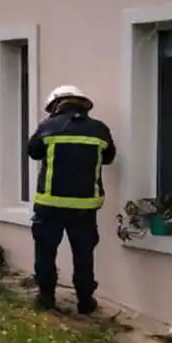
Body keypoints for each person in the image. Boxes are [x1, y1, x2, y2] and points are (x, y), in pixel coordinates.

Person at [27, 85, 116, 315]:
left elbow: (33, 151)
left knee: (46, 252)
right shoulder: (99, 129)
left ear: (56, 105)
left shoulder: (48, 126)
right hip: (84, 207)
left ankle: (46, 297)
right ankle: (85, 301)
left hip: (50, 205)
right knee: (84, 254)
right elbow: (109, 158)